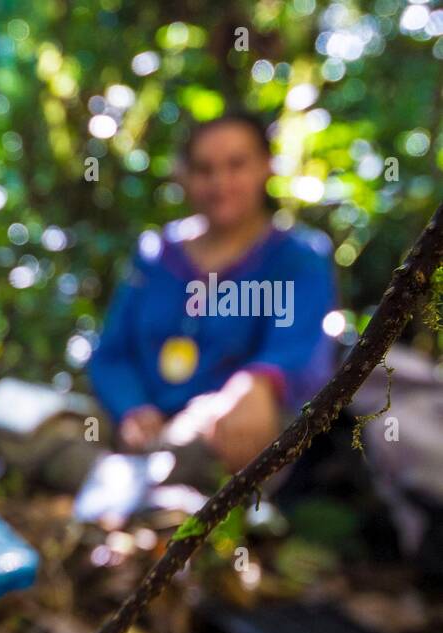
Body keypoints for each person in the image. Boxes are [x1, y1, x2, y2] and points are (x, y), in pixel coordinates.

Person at [86, 111, 337, 481]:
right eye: (204, 169)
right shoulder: (155, 253)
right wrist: (133, 408)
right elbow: (111, 353)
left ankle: (131, 489)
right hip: (135, 429)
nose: (220, 183)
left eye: (237, 165)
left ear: (266, 167)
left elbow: (298, 352)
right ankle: (132, 487)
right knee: (25, 421)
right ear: (183, 175)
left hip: (217, 429)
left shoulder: (298, 257)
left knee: (209, 445)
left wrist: (255, 386)